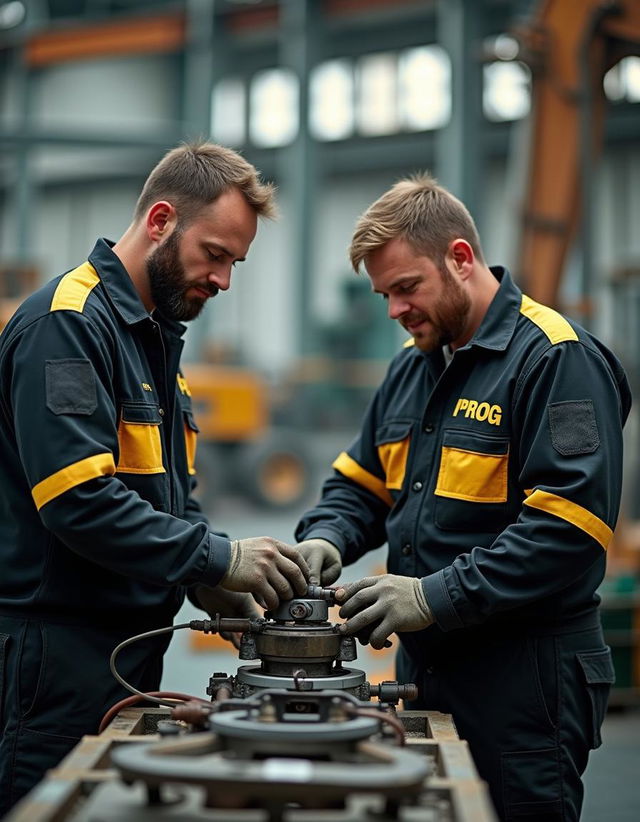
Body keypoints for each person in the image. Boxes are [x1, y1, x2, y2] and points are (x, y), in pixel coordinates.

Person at [295, 173, 631, 821]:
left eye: (406, 288)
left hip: (526, 678)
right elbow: (360, 485)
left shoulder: (555, 360)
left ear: (460, 257)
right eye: (384, 294)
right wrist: (325, 538)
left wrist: (429, 595)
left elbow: (568, 527)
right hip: (429, 669)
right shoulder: (413, 365)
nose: (394, 309)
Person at [0, 141, 309, 812]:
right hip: (54, 659)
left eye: (235, 262)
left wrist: (202, 576)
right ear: (162, 219)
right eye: (215, 254)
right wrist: (219, 556)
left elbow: (169, 498)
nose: (224, 280)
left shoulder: (151, 337)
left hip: (124, 653)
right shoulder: (70, 327)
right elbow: (78, 501)